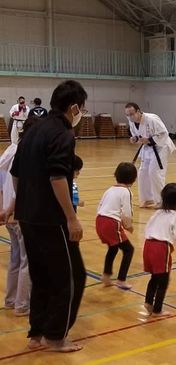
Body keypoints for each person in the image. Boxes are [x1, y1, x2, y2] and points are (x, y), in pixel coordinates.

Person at [10, 80, 87, 352]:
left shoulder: (32, 130)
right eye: (82, 108)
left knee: (41, 276)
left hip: (28, 217)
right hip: (51, 219)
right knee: (70, 277)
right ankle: (56, 336)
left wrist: (19, 205)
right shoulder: (62, 134)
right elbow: (57, 177)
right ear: (74, 106)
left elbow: (15, 173)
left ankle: (37, 334)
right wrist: (71, 217)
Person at [0, 118, 35, 317]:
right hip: (20, 214)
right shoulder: (27, 153)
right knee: (26, 261)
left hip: (9, 212)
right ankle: (22, 305)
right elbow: (18, 187)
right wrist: (12, 208)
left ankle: (11, 300)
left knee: (15, 259)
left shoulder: (12, 149)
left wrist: (4, 207)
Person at [143, 183, 176, 316]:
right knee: (164, 279)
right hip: (162, 248)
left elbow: (147, 228)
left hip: (148, 245)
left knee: (154, 276)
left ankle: (148, 301)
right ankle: (157, 310)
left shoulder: (157, 213)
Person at [125, 102, 176, 209]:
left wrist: (149, 140)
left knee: (154, 172)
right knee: (142, 173)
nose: (130, 117)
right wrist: (134, 139)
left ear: (138, 111)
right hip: (148, 148)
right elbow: (137, 135)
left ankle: (162, 201)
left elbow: (164, 133)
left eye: (132, 114)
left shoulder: (152, 119)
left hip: (161, 147)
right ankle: (147, 199)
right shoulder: (132, 122)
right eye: (127, 115)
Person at [96, 162, 138, 290]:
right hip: (111, 223)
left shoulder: (110, 189)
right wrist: (128, 226)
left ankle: (106, 275)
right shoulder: (126, 192)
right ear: (133, 179)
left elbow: (100, 206)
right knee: (128, 250)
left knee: (113, 248)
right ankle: (121, 280)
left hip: (99, 220)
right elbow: (126, 213)